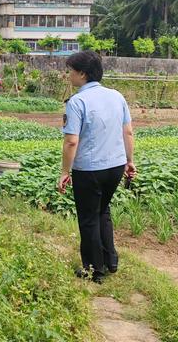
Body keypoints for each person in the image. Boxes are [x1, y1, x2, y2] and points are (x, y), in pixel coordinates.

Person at [58, 50, 137, 283]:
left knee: (89, 218)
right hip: (115, 165)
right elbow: (128, 131)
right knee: (103, 211)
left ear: (82, 74)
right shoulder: (116, 96)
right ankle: (110, 260)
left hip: (89, 169)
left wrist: (64, 171)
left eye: (71, 72)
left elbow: (72, 141)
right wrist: (130, 161)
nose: (69, 76)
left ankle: (94, 269)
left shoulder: (77, 101)